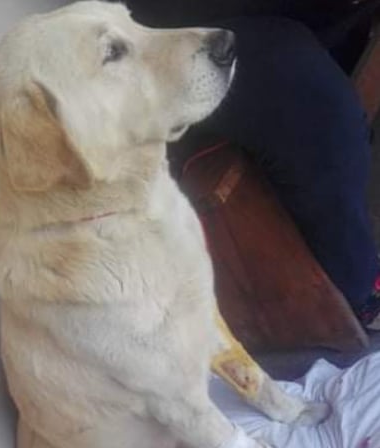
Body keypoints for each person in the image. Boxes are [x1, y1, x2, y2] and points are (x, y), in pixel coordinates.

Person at [125, 0, 380, 328]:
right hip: (172, 30)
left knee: (324, 72)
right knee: (311, 98)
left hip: (308, 22)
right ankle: (355, 292)